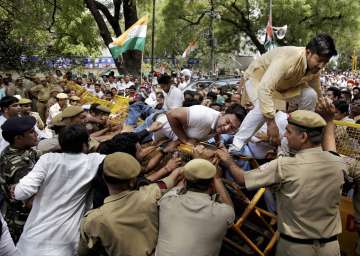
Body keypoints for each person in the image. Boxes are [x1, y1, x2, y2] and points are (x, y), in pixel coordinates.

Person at [217, 109, 346, 256]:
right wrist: (329, 121)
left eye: (289, 132)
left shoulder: (284, 166)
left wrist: (228, 161)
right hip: (331, 248)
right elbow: (331, 150)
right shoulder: (337, 162)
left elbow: (242, 179)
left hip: (295, 249)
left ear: (303, 137)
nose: (284, 135)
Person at [231, 33, 337, 152]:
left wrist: (324, 104)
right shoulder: (288, 58)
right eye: (319, 60)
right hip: (257, 79)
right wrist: (271, 124)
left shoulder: (314, 69)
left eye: (325, 62)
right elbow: (264, 89)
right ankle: (236, 145)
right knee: (264, 105)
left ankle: (290, 146)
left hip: (280, 89)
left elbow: (317, 93)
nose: (321, 66)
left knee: (310, 95)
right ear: (308, 52)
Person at [14, 125, 105, 255]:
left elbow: (20, 193)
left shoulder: (48, 160)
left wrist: (18, 187)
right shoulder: (95, 160)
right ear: (86, 144)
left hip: (31, 241)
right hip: (63, 245)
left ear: (61, 144)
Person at [78, 152, 182, 256]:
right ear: (132, 181)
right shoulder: (150, 194)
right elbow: (171, 180)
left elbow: (82, 252)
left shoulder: (93, 220)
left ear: (104, 178)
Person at [155, 159, 235, 256]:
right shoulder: (223, 213)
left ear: (185, 181)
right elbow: (230, 210)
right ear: (212, 186)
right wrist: (217, 179)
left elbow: (178, 188)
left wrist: (192, 170)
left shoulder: (167, 201)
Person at [0, 116, 40, 242]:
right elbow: (30, 202)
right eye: (31, 132)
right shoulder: (18, 166)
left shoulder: (19, 150)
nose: (36, 134)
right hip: (23, 221)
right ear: (18, 138)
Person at [154, 103, 246, 144]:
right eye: (227, 122)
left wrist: (218, 142)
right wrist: (185, 140)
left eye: (232, 128)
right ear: (222, 113)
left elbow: (217, 130)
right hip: (161, 129)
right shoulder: (203, 115)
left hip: (173, 139)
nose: (226, 128)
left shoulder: (219, 121)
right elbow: (171, 114)